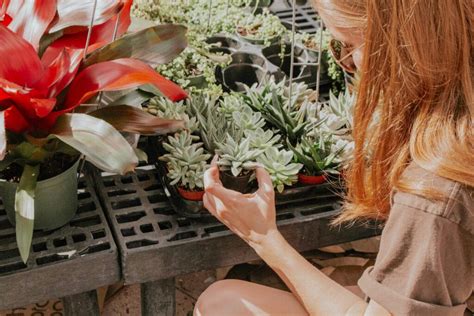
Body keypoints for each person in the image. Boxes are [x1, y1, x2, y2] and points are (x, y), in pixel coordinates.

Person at [194, 0, 473, 315]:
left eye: (351, 44)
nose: (349, 63)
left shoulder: (435, 189)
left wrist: (264, 239)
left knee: (223, 303)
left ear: (402, 44)